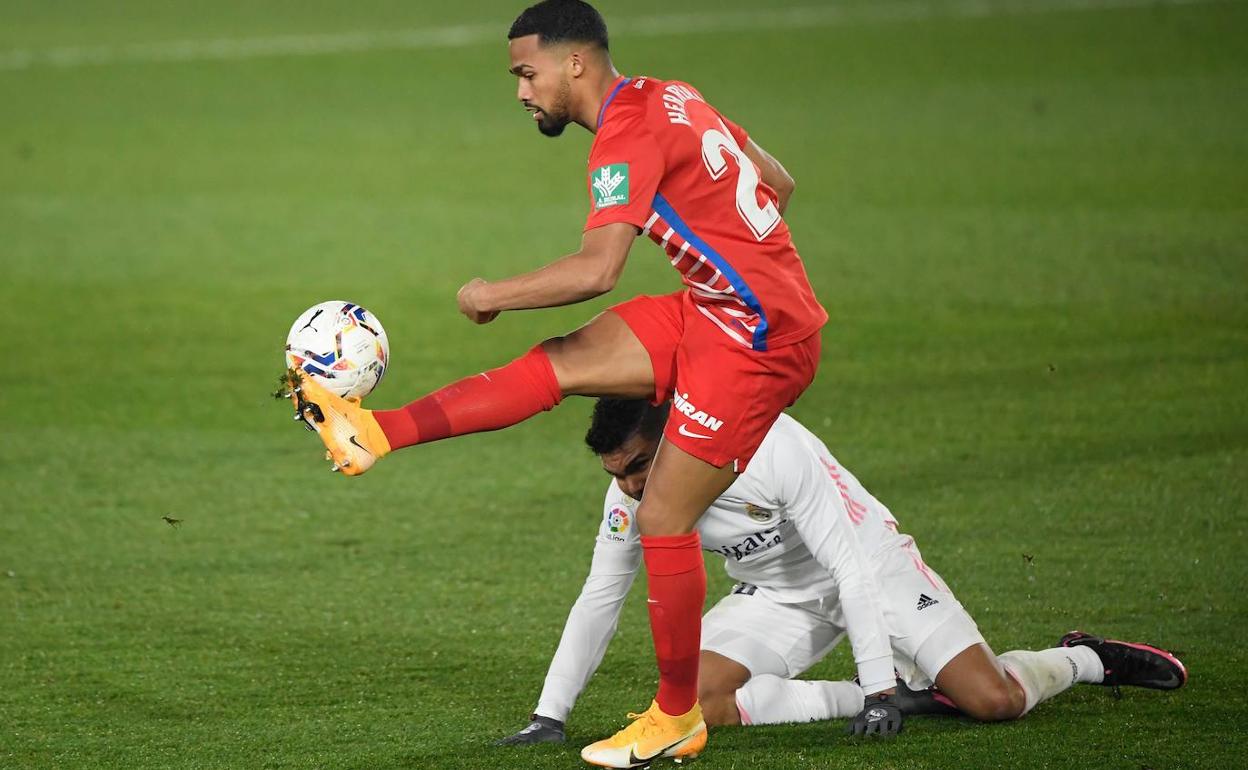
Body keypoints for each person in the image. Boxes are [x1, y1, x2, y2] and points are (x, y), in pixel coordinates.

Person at [285, 1, 831, 765]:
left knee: (664, 518)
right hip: (722, 307)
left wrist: (489, 294)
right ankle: (373, 431)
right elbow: (779, 180)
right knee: (561, 363)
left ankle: (676, 716)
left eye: (526, 72)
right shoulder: (673, 94)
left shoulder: (625, 132)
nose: (520, 91)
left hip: (761, 340)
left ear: (576, 62)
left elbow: (597, 270)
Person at [497, 399, 1187, 756]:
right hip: (774, 594)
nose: (630, 488)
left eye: (638, 466)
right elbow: (601, 595)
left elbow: (848, 565)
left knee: (994, 701)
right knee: (693, 703)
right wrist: (548, 716)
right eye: (616, 475)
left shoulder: (767, 447)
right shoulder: (630, 496)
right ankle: (908, 696)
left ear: (677, 430)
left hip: (868, 566)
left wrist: (881, 691)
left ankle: (1082, 658)